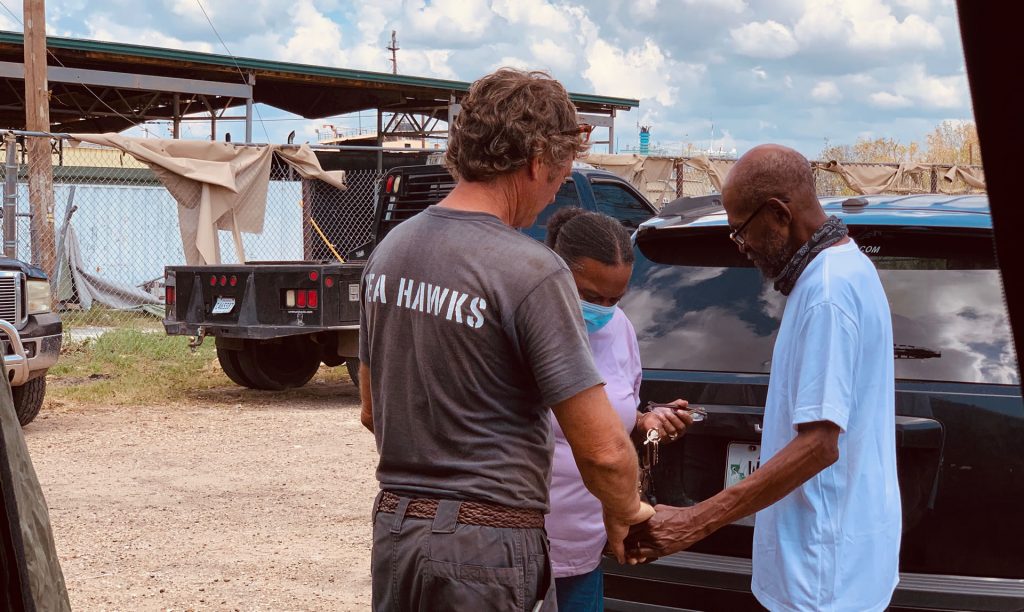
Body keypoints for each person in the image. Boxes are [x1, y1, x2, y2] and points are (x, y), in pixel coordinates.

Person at [358, 68, 654, 611]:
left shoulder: (390, 253)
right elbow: (605, 452)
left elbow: (372, 412)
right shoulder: (530, 270)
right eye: (559, 174)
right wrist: (628, 511)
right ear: (538, 161)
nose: (554, 191)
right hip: (485, 548)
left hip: (396, 531)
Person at [626, 144, 901, 612]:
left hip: (819, 578)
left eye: (741, 230)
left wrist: (694, 521)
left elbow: (819, 444)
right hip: (832, 567)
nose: (742, 244)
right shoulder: (843, 268)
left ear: (777, 213)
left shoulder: (827, 292)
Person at [543, 208, 693, 611]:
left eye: (615, 298)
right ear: (557, 271)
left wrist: (647, 421)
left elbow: (618, 415)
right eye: (591, 297)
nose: (603, 308)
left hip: (587, 546)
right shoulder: (529, 325)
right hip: (523, 546)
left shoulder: (619, 327)